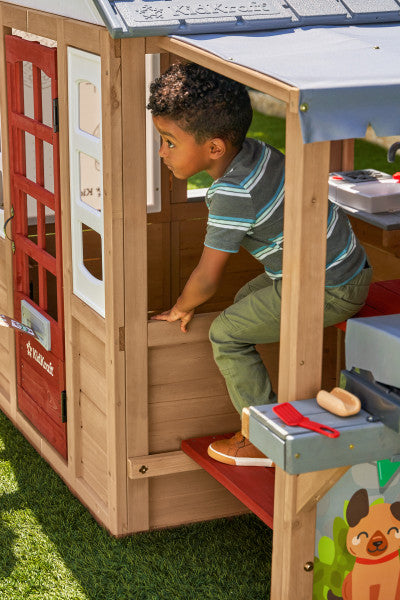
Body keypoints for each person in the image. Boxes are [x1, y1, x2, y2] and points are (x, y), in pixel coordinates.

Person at [148, 63, 372, 467]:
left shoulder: (233, 192)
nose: (161, 152)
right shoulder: (258, 152)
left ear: (214, 148)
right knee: (245, 300)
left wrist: (182, 307)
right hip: (346, 267)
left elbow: (206, 277)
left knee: (225, 333)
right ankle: (277, 403)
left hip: (329, 287)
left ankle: (264, 439)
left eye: (168, 142)